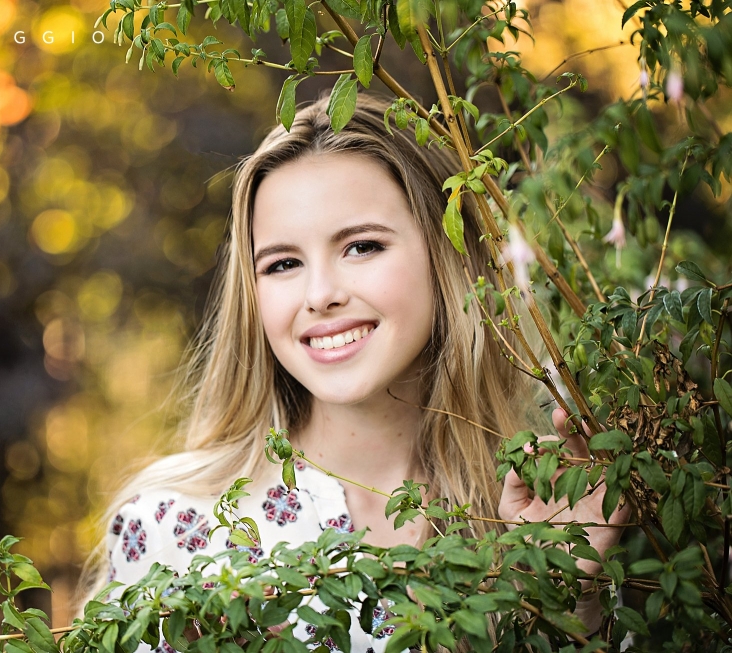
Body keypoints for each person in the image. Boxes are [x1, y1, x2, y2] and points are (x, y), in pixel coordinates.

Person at [80, 90, 628, 650]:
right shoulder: (173, 533)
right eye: (284, 263)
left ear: (450, 255)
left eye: (362, 247)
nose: (319, 295)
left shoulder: (550, 508)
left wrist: (570, 602)